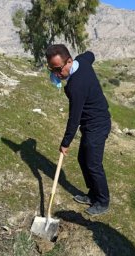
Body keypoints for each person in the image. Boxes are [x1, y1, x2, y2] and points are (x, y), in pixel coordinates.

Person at [46, 44, 111, 216]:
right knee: (83, 159)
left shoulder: (76, 86)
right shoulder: (82, 61)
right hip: (90, 124)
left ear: (69, 61)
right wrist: (87, 58)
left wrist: (65, 143)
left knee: (93, 164)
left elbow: (74, 119)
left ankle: (103, 201)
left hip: (97, 124)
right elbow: (90, 54)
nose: (56, 75)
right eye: (52, 70)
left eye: (58, 69)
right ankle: (93, 194)